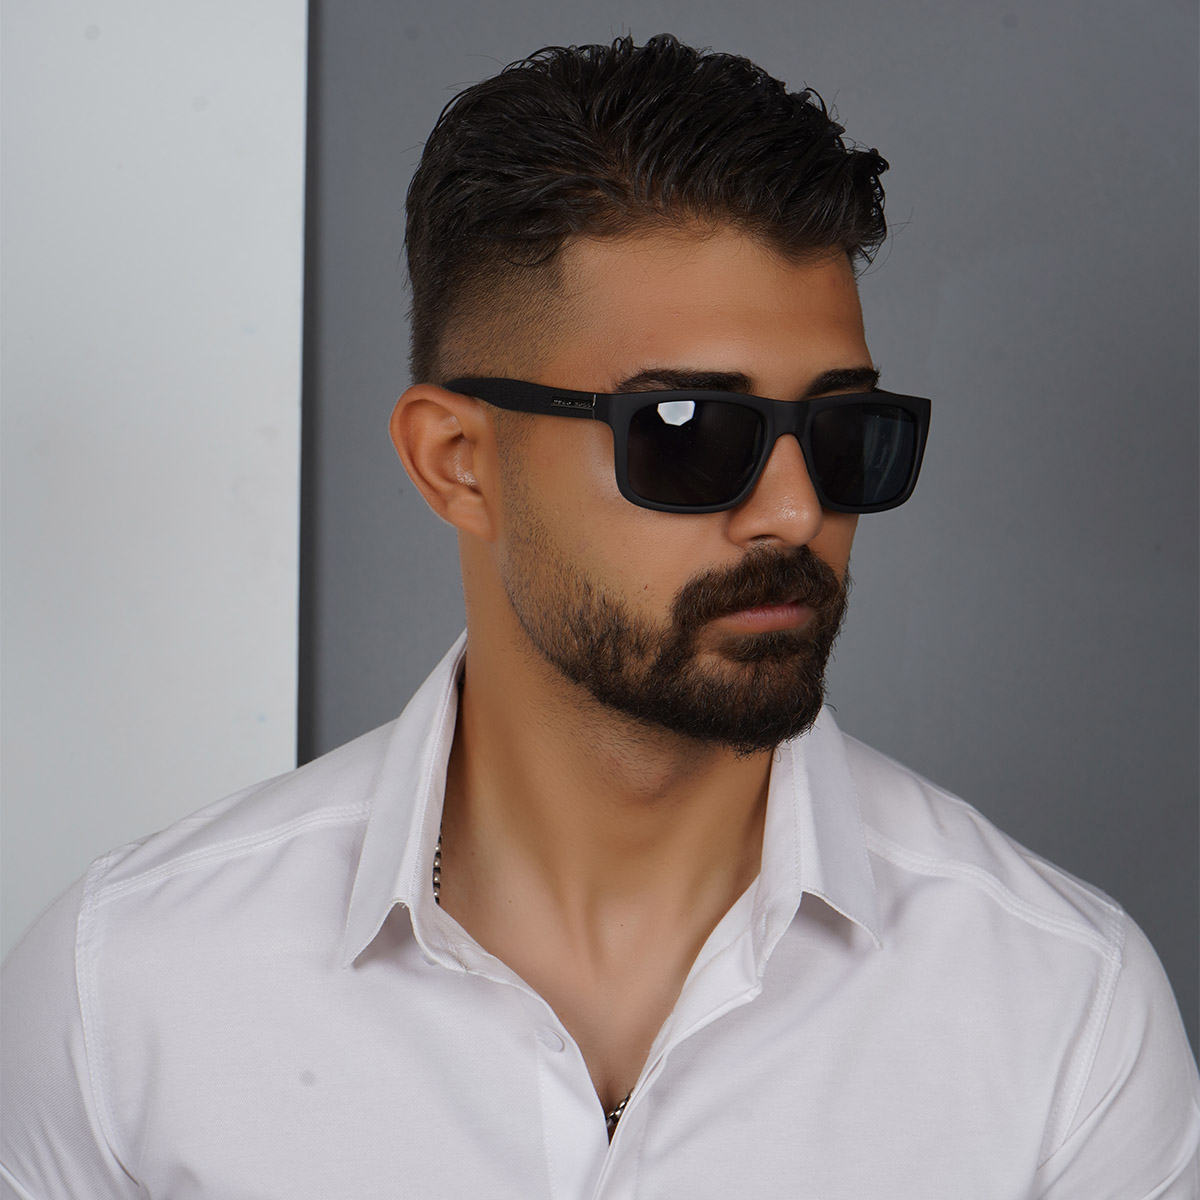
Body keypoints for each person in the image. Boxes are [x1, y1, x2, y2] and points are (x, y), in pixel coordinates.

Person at [3, 33, 1197, 1199]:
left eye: (843, 433)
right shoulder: (127, 993)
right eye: (688, 432)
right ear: (458, 462)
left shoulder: (1062, 1014)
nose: (795, 511)